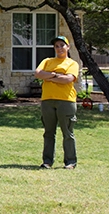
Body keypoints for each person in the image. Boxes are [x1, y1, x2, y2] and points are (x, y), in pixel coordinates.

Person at [35, 35, 79, 170]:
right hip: (48, 100)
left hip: (66, 101)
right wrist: (57, 75)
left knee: (67, 133)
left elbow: (69, 79)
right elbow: (38, 73)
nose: (59, 48)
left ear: (68, 47)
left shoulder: (72, 63)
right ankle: (47, 161)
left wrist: (50, 76)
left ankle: (70, 161)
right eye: (56, 46)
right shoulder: (47, 61)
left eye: (62, 45)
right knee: (49, 133)